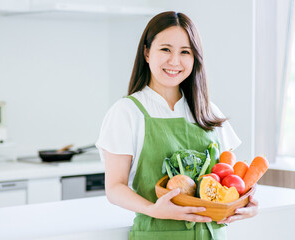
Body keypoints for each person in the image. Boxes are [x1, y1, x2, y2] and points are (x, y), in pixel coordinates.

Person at [96, 11, 258, 240]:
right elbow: (114, 188)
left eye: (185, 52)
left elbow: (229, 180)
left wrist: (246, 202)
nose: (175, 61)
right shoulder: (127, 112)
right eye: (165, 49)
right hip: (157, 234)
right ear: (146, 52)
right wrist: (153, 209)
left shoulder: (208, 111)